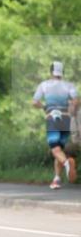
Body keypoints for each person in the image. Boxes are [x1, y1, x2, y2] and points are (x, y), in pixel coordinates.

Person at [33, 61, 79, 190]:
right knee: (60, 150)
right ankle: (57, 179)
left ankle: (67, 164)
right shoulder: (69, 85)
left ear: (50, 72)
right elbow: (76, 101)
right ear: (62, 72)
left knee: (55, 149)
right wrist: (72, 111)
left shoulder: (44, 85)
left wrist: (44, 106)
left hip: (53, 117)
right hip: (66, 118)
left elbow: (34, 102)